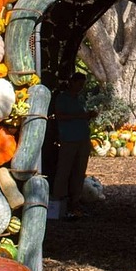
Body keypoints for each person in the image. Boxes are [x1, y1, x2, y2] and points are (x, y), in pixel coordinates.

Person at [51, 72, 97, 220]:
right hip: (68, 139)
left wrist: (88, 116)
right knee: (64, 170)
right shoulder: (62, 98)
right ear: (72, 82)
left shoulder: (80, 98)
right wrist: (80, 116)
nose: (81, 87)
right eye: (79, 84)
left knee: (79, 171)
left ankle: (75, 202)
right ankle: (58, 202)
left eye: (82, 85)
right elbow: (59, 116)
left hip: (82, 138)